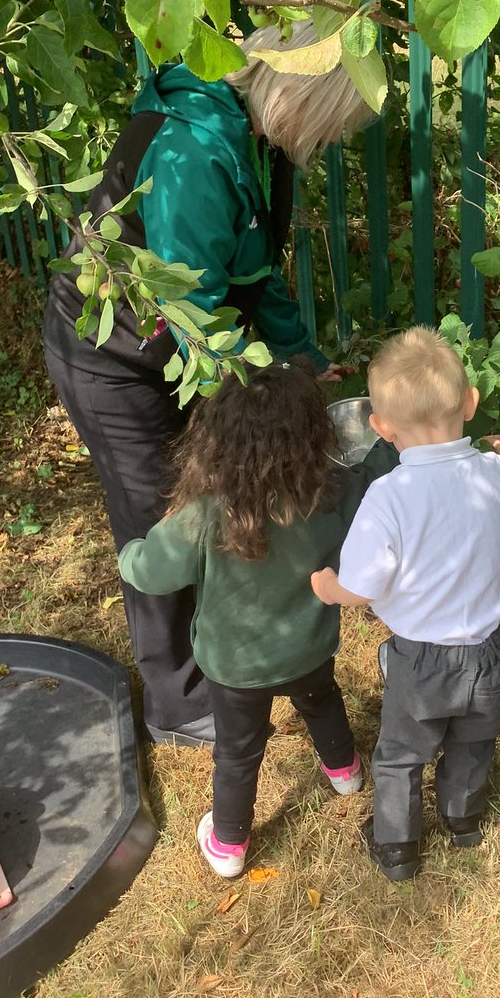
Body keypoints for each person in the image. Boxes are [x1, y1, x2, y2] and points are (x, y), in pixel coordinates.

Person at [43, 22, 374, 747]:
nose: (330, 142)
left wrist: (301, 363)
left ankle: (229, 643)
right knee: (164, 513)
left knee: (207, 495)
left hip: (181, 342)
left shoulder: (254, 137)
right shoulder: (193, 154)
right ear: (301, 95)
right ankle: (180, 702)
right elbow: (190, 311)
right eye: (333, 124)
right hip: (117, 355)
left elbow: (254, 278)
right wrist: (273, 397)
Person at [117, 359, 397, 876]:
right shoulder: (327, 492)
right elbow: (371, 475)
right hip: (311, 646)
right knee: (320, 699)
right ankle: (345, 771)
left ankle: (228, 845)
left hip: (235, 668)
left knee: (239, 751)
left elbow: (151, 573)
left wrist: (129, 553)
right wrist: (394, 432)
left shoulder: (205, 512)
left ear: (217, 437)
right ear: (314, 433)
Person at [311, 327, 500, 880]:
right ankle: (463, 820)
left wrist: (328, 587)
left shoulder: (388, 495)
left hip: (421, 661)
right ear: (470, 402)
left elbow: (363, 585)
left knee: (401, 755)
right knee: (474, 741)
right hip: (493, 652)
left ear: (381, 427)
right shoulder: (495, 473)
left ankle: (397, 846)